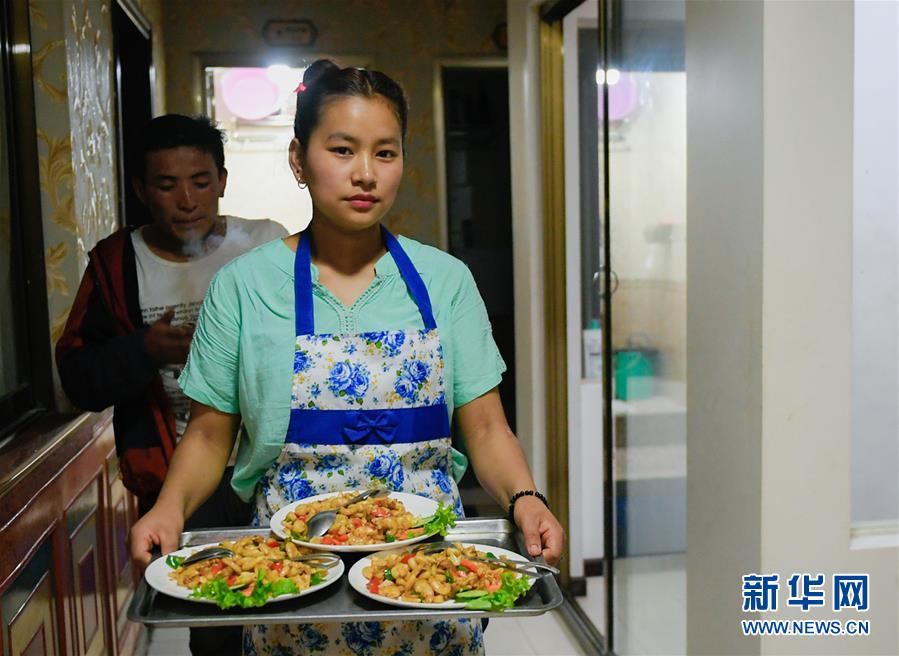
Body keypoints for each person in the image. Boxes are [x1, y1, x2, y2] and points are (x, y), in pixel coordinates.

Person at [129, 61, 563, 655]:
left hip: (427, 584)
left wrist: (526, 498)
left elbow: (486, 427)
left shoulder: (445, 281)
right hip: (291, 580)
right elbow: (208, 434)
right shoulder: (244, 286)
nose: (365, 173)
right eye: (342, 150)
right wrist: (168, 509)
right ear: (298, 160)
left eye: (385, 153)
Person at [56, 114, 286, 655]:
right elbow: (77, 375)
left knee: (290, 609)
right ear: (141, 190)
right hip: (183, 475)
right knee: (214, 623)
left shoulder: (265, 244)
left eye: (201, 182)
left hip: (272, 466)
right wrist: (144, 349)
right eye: (166, 185)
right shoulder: (117, 263)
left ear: (222, 180)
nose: (187, 201)